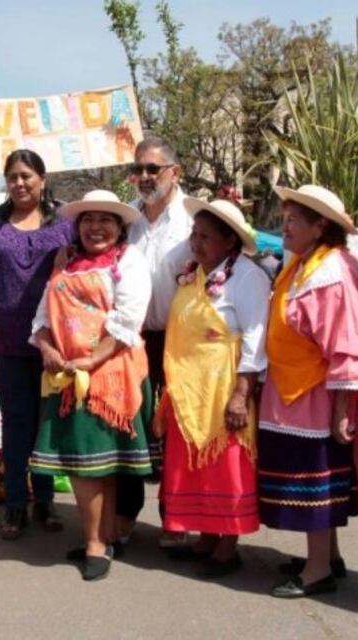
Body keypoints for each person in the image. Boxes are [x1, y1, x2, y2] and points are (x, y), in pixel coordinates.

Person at [29, 189, 153, 581]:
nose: (96, 227)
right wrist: (48, 348)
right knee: (87, 468)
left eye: (105, 220)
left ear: (119, 227)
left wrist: (90, 359)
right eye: (88, 220)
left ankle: (98, 543)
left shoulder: (129, 262)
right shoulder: (64, 266)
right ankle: (100, 538)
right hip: (67, 375)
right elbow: (41, 318)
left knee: (99, 467)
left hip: (110, 375)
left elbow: (127, 318)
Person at [258, 184, 358, 598]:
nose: (283, 227)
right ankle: (328, 557)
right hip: (292, 391)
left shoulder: (332, 272)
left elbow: (347, 341)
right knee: (311, 478)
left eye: (292, 221)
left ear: (319, 226)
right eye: (284, 219)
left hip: (314, 395)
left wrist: (343, 406)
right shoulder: (304, 266)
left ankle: (318, 570)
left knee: (315, 480)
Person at [150, 198, 269, 579]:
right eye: (194, 234)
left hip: (223, 387)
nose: (196, 243)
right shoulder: (191, 274)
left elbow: (255, 338)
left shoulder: (248, 277)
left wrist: (241, 394)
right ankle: (205, 535)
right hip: (188, 390)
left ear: (230, 242)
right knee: (193, 465)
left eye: (206, 237)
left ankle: (227, 546)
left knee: (226, 465)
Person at [0, 149, 73, 540]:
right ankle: (15, 505)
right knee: (16, 424)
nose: (20, 183)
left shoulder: (64, 225)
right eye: (12, 176)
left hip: (53, 342)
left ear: (42, 179)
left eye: (27, 175)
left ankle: (44, 500)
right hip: (6, 341)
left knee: (46, 425)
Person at [122, 137, 192, 546]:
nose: (145, 177)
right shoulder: (125, 219)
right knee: (130, 426)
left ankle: (176, 519)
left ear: (174, 172)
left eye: (154, 169)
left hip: (182, 340)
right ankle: (125, 516)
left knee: (176, 432)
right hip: (132, 340)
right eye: (140, 170)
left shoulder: (193, 219)